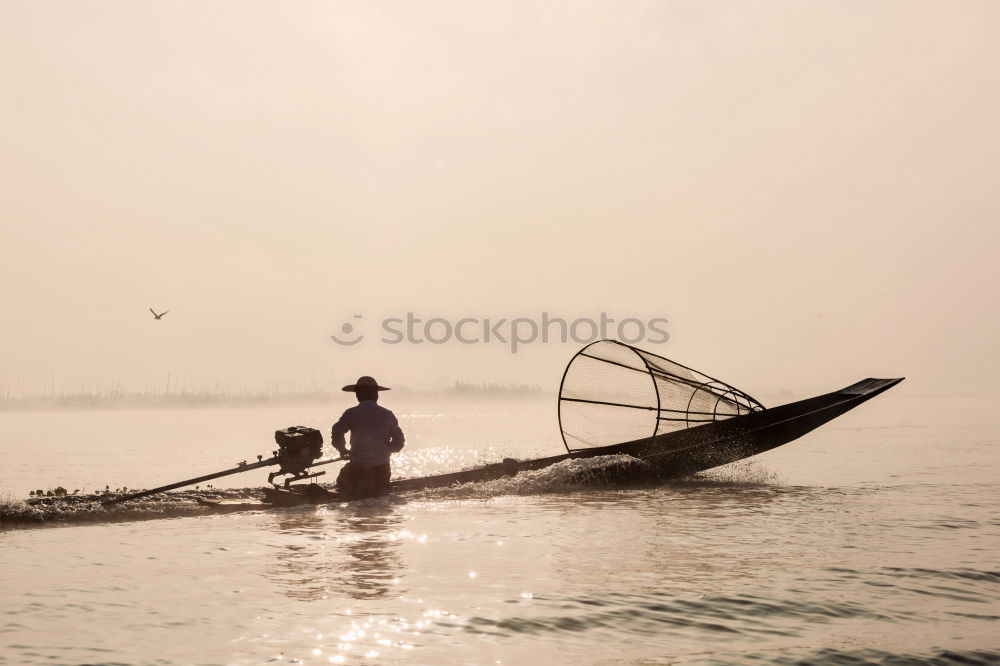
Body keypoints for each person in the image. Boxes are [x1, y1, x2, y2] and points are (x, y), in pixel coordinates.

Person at [331, 376, 405, 500]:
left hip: (358, 469)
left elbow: (337, 432)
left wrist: (342, 450)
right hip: (381, 471)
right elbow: (399, 442)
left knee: (343, 476)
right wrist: (386, 450)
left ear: (358, 395)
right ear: (376, 394)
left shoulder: (351, 413)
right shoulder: (387, 414)